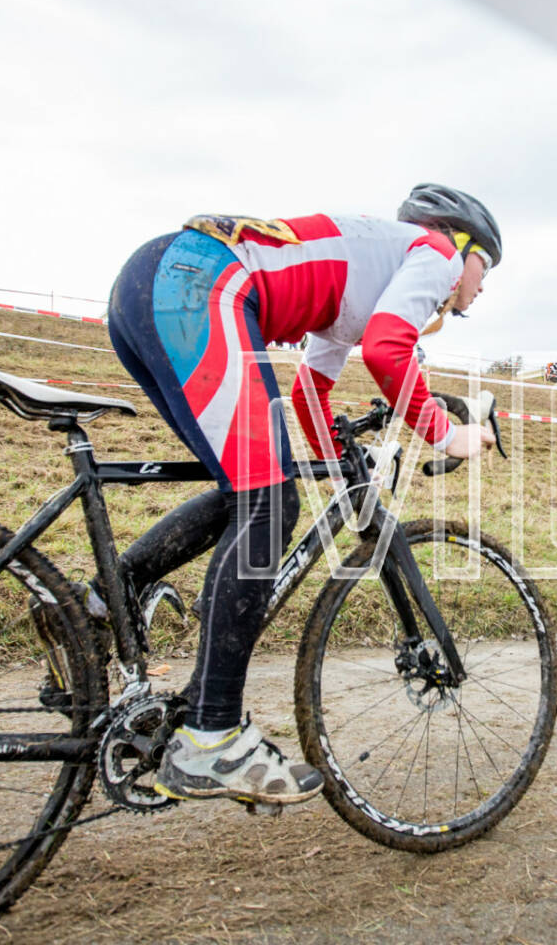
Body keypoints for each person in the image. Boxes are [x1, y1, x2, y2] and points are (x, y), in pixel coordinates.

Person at [102, 184, 500, 806]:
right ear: (462, 243)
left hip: (157, 283)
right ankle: (212, 737)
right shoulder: (435, 251)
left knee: (255, 490)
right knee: (271, 501)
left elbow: (313, 388)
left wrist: (344, 475)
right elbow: (388, 350)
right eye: (488, 266)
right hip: (203, 285)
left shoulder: (366, 276)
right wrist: (447, 432)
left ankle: (103, 601)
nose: (481, 283)